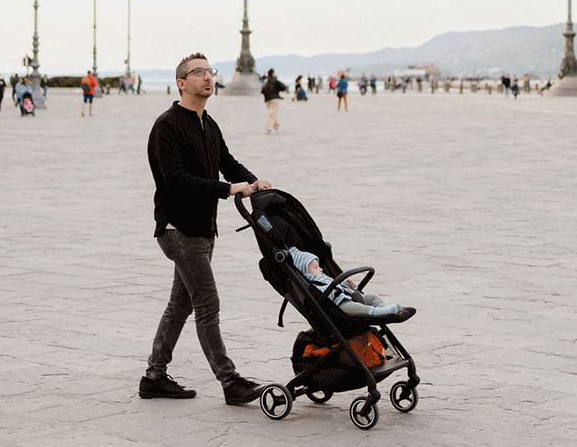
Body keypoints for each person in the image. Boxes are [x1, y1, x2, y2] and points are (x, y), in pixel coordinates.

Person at [139, 53, 269, 405]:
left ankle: (153, 377)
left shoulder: (208, 123)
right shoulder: (167, 126)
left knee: (180, 305)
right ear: (181, 83)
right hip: (178, 229)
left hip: (203, 228)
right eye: (198, 72)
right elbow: (176, 180)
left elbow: (227, 162)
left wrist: (254, 182)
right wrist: (228, 189)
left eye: (209, 71)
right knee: (207, 304)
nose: (207, 77)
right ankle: (230, 382)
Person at [286, 246, 415, 320]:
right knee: (360, 308)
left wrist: (349, 285)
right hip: (340, 305)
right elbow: (323, 295)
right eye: (315, 267)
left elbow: (338, 285)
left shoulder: (323, 277)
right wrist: (334, 290)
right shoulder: (312, 284)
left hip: (349, 296)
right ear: (304, 272)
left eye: (319, 266)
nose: (320, 269)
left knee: (372, 297)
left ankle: (384, 307)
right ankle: (379, 313)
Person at [261, 68, 287, 133]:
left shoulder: (266, 81)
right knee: (272, 114)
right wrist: (277, 90)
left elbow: (262, 90)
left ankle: (277, 127)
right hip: (274, 99)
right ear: (273, 73)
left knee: (272, 113)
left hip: (267, 100)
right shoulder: (275, 81)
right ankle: (268, 128)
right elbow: (284, 87)